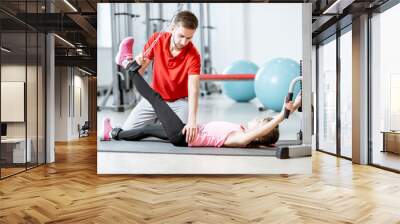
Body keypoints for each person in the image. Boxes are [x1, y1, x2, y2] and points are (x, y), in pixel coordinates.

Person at [103, 41, 302, 148]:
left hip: (182, 136)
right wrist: (292, 108)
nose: (257, 120)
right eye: (261, 120)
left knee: (155, 98)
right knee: (146, 129)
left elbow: (262, 130)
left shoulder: (241, 138)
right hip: (182, 134)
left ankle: (127, 63)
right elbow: (264, 128)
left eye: (260, 123)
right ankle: (114, 134)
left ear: (260, 135)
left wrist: (282, 117)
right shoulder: (239, 128)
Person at [114, 10, 201, 143]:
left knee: (181, 135)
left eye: (189, 38)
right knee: (127, 131)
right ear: (172, 29)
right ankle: (127, 61)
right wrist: (138, 63)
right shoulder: (157, 39)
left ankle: (126, 62)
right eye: (181, 36)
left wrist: (192, 121)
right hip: (154, 100)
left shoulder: (193, 55)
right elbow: (140, 74)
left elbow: (194, 89)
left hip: (179, 102)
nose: (184, 42)